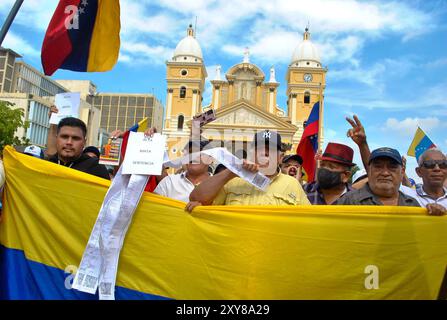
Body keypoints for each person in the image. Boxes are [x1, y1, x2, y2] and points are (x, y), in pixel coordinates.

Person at [188, 130, 310, 211]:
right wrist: (232, 171)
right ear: (252, 154)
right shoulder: (233, 180)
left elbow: (307, 220)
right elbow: (196, 198)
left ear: (280, 158)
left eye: (271, 149)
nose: (265, 153)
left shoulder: (292, 185)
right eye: (260, 149)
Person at [336, 147, 422, 207]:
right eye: (378, 167)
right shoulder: (348, 201)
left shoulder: (412, 204)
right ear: (369, 170)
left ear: (402, 172)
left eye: (392, 167)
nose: (385, 173)